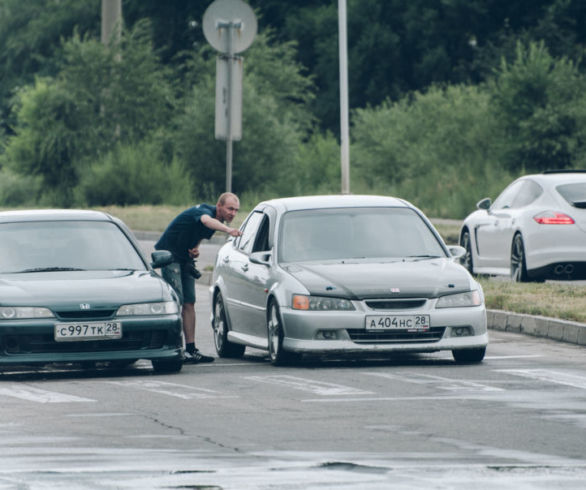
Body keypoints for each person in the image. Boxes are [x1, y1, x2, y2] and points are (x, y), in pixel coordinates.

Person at [155, 192, 242, 363]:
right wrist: (228, 230)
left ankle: (190, 349)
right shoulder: (204, 212)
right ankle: (172, 347)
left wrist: (195, 247)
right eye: (230, 208)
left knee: (189, 302)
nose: (233, 213)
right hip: (169, 256)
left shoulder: (217, 220)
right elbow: (205, 221)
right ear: (219, 206)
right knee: (176, 301)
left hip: (184, 258)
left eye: (236, 210)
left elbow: (200, 234)